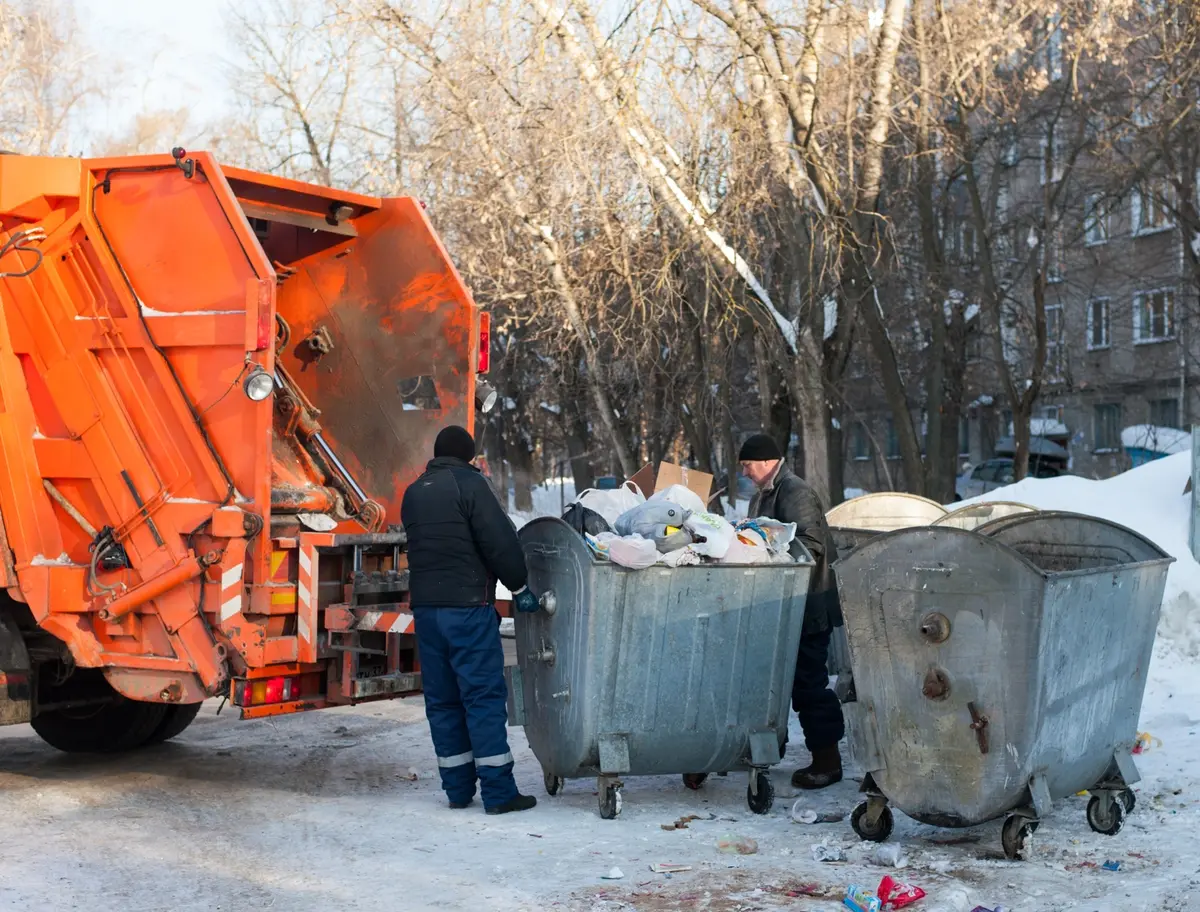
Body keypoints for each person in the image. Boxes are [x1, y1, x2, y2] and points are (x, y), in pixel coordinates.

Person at [401, 425, 541, 814]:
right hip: (468, 610)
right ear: (468, 455)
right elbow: (500, 542)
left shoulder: (414, 492)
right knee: (482, 697)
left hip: (427, 614)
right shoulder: (470, 485)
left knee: (443, 701)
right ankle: (499, 793)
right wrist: (518, 585)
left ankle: (458, 790)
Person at [739, 433, 846, 789]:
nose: (745, 471)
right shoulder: (766, 495)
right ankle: (772, 747)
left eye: (748, 464)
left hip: (808, 605)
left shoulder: (795, 492)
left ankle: (828, 761)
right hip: (783, 607)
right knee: (774, 683)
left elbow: (809, 546)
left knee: (808, 683)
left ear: (768, 461)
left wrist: (767, 553)